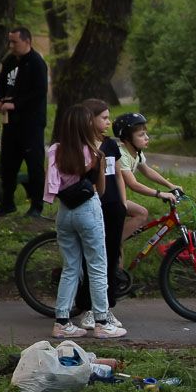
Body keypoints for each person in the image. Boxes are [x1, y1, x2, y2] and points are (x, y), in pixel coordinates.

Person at [45, 104, 126, 339]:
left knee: (71, 266)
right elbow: (100, 190)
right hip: (87, 209)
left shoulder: (55, 150)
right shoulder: (93, 152)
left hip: (64, 212)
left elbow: (52, 183)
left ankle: (62, 322)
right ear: (85, 126)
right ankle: (102, 321)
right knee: (97, 265)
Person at [72, 99, 127, 331]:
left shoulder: (111, 145)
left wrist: (123, 203)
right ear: (89, 119)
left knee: (112, 256)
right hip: (91, 206)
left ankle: (106, 307)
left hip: (113, 206)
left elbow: (119, 176)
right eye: (103, 117)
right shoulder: (81, 146)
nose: (108, 122)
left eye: (108, 117)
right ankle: (86, 308)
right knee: (91, 258)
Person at [0, 27, 49, 218]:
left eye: (15, 42)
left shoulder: (37, 63)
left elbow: (39, 93)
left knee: (34, 165)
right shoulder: (8, 62)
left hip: (31, 124)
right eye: (10, 42)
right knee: (7, 164)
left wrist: (16, 104)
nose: (11, 45)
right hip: (10, 124)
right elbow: (2, 85)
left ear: (27, 41)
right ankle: (7, 203)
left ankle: (36, 206)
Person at [112, 112, 181, 245]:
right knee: (141, 214)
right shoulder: (121, 155)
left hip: (117, 198)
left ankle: (113, 245)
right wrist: (160, 194)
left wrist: (171, 186)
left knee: (141, 213)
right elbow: (133, 184)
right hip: (108, 200)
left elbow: (147, 171)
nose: (147, 137)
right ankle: (111, 245)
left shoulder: (136, 153)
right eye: (141, 135)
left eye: (146, 133)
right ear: (126, 139)